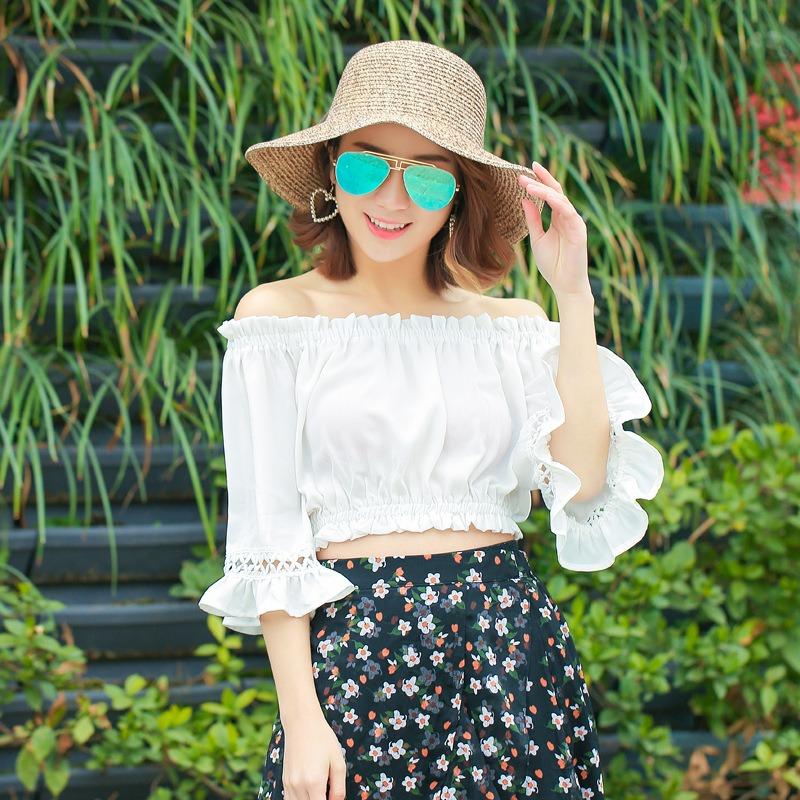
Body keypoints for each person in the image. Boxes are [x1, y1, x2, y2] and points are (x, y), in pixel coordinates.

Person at [198, 39, 664, 800]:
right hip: (357, 657)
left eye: (426, 176)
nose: (391, 199)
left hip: (509, 653)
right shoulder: (279, 320)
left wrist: (572, 295)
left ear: (458, 195)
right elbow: (270, 536)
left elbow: (582, 491)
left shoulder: (511, 328)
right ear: (330, 173)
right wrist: (302, 718)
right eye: (366, 166)